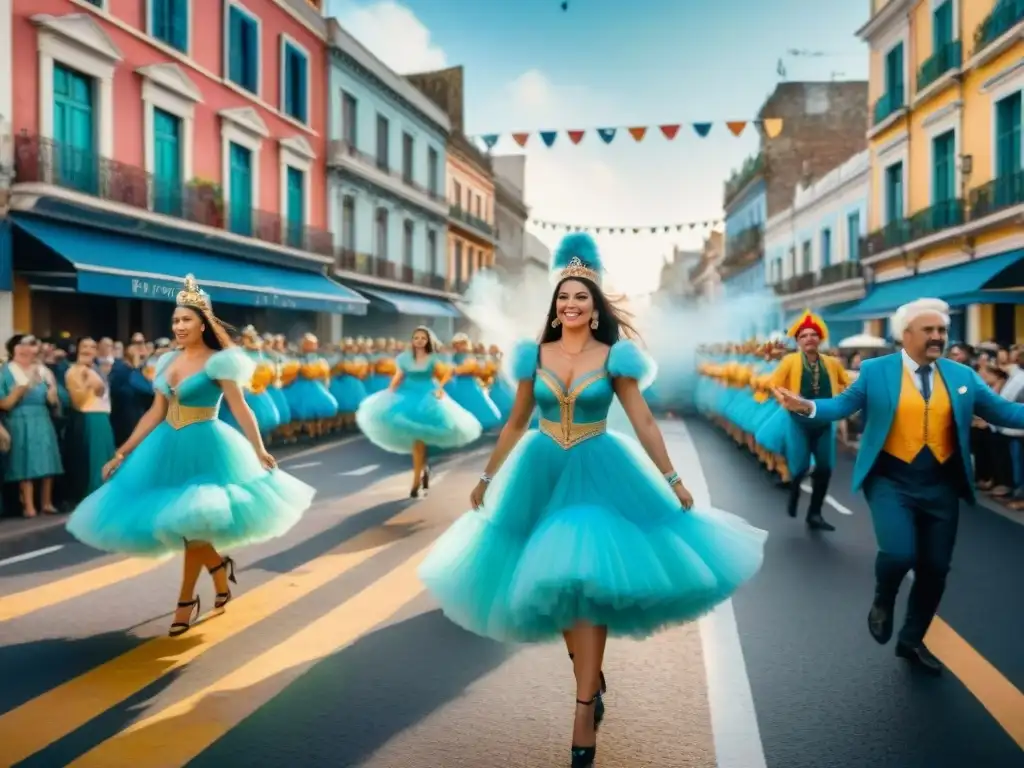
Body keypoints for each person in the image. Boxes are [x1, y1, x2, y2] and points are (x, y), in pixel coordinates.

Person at [418, 233, 767, 768]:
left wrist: (672, 479)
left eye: (581, 298)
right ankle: (590, 673)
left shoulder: (617, 357)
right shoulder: (532, 356)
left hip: (599, 467)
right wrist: (487, 480)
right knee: (555, 588)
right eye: (563, 297)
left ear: (594, 305)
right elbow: (516, 422)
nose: (571, 305)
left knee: (585, 581)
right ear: (555, 307)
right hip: (538, 469)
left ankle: (583, 709)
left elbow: (645, 421)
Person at [773, 298, 1024, 675]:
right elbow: (841, 406)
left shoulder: (961, 376)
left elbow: (1005, 413)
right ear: (905, 335)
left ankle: (911, 639)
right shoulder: (876, 371)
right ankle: (884, 597)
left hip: (940, 484)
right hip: (891, 479)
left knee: (935, 568)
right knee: (899, 553)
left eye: (942, 330)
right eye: (930, 331)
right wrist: (807, 407)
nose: (939, 337)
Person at [66, 275, 316, 637]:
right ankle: (218, 571)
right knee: (188, 526)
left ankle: (185, 601)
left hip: (209, 446)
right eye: (175, 320)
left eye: (186, 320)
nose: (179, 326)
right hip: (166, 446)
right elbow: (154, 412)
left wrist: (259, 448)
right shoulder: (166, 360)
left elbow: (241, 407)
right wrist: (122, 451)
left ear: (203, 323)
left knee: (193, 524)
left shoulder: (221, 362)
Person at [355, 326, 482, 497]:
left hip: (427, 397)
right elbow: (398, 376)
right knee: (417, 442)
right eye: (416, 338)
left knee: (422, 441)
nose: (419, 341)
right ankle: (418, 477)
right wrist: (389, 393)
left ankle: (421, 473)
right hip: (407, 397)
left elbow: (444, 374)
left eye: (423, 338)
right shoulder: (404, 359)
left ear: (428, 341)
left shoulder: (433, 359)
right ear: (413, 340)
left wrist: (441, 388)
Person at [765, 310, 851, 530]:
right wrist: (785, 400)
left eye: (813, 335)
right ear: (798, 341)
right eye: (804, 336)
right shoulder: (790, 361)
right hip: (798, 422)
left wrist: (842, 402)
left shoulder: (832, 363)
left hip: (824, 422)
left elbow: (847, 384)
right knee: (801, 466)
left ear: (820, 339)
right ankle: (795, 487)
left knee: (825, 468)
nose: (809, 338)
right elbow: (774, 383)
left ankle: (815, 514)